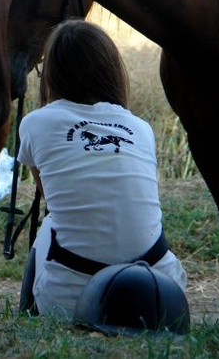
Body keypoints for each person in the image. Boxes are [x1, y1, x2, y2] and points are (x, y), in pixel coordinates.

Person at [17, 18, 187, 319]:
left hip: (68, 301)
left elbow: (50, 197)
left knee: (51, 222)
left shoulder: (35, 123)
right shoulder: (141, 128)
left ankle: (26, 317)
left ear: (52, 74)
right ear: (111, 69)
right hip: (162, 295)